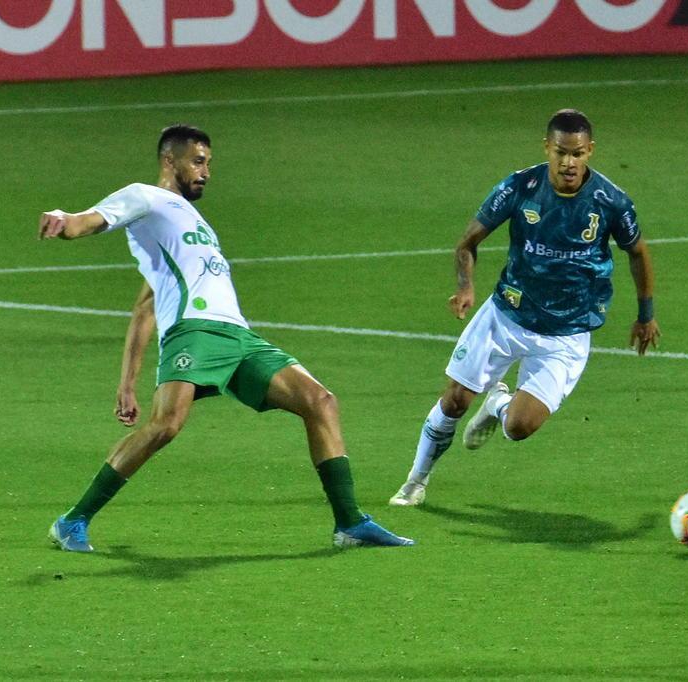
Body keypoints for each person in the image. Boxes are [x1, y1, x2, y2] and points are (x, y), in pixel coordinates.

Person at [39, 124, 413, 552]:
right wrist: (64, 221)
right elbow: (89, 221)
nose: (206, 171)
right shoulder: (145, 197)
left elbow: (144, 305)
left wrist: (127, 381)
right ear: (169, 161)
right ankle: (73, 521)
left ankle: (350, 523)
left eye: (209, 163)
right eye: (198, 161)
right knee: (166, 427)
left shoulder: (195, 224)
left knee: (320, 402)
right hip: (194, 331)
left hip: (237, 336)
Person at [389, 109, 660, 507]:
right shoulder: (520, 187)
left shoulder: (610, 201)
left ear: (591, 152)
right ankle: (415, 481)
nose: (569, 163)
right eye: (561, 152)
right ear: (547, 148)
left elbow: (636, 252)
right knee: (455, 400)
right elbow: (467, 243)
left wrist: (646, 314)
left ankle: (498, 402)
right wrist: (466, 288)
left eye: (579, 154)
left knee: (518, 427)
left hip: (566, 334)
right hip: (507, 315)